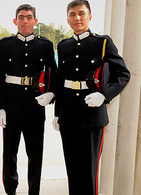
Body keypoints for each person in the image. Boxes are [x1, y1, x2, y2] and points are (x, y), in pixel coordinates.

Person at [53, 0, 130, 194]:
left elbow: (123, 74)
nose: (77, 18)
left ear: (89, 16)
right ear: (67, 18)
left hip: (92, 116)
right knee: (73, 170)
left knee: (89, 172)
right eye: (72, 14)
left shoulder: (103, 43)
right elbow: (62, 81)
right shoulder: (64, 46)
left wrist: (104, 95)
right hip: (69, 115)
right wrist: (57, 113)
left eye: (81, 13)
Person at [0, 4, 57, 195]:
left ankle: (34, 191)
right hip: (11, 106)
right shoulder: (5, 45)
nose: (25, 21)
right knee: (9, 153)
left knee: (35, 153)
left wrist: (52, 93)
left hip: (34, 105)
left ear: (35, 21)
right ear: (15, 21)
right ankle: (10, 190)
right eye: (21, 17)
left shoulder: (45, 45)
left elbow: (54, 73)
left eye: (29, 17)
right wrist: (0, 107)